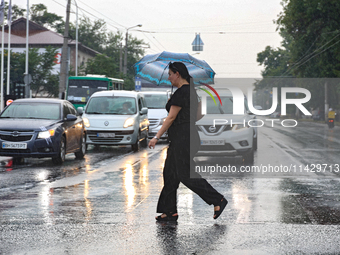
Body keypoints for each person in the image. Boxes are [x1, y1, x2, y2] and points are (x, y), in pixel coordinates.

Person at [148, 61, 227, 222]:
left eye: (170, 74)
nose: (169, 78)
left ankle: (217, 199)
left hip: (183, 138)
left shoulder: (181, 93)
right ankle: (169, 211)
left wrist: (156, 137)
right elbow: (199, 116)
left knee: (185, 174)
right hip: (187, 136)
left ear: (178, 74)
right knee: (170, 174)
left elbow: (171, 117)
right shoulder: (191, 92)